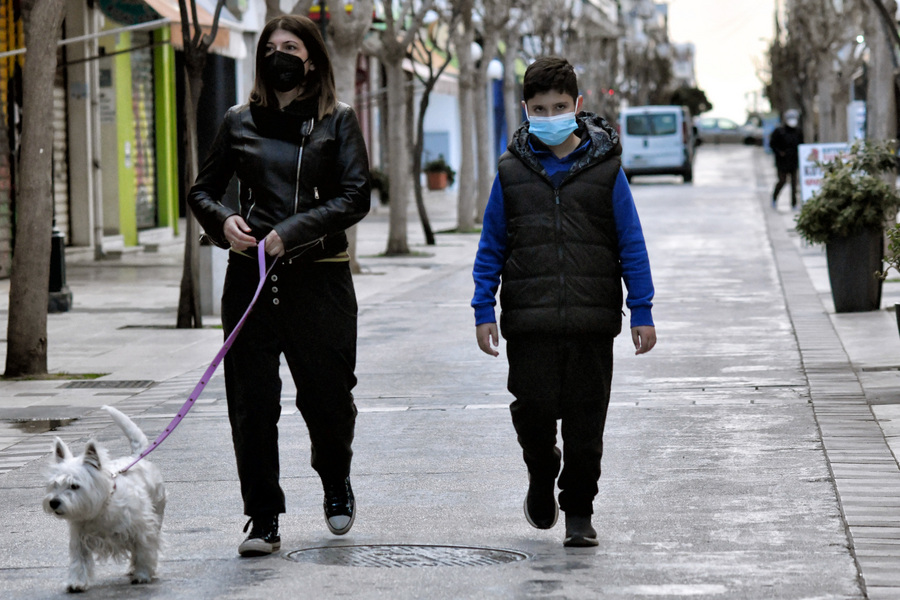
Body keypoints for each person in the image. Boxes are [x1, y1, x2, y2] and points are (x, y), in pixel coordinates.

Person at [187, 15, 370, 557]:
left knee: (329, 399)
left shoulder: (339, 120)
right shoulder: (238, 120)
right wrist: (223, 224)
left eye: (291, 46)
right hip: (251, 279)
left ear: (311, 57)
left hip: (320, 280)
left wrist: (291, 232)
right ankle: (262, 516)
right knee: (251, 402)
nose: (279, 55)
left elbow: (355, 196)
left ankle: (335, 477)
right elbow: (203, 190)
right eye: (270, 47)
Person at [471, 57, 656, 548]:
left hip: (592, 322)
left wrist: (642, 309)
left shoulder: (607, 170)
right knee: (531, 412)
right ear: (525, 110)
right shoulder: (511, 173)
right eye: (539, 108)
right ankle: (540, 468)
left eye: (558, 106)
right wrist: (482, 308)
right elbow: (491, 244)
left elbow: (630, 242)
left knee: (585, 423)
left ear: (577, 107)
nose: (549, 114)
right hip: (528, 323)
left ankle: (579, 508)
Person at [770, 109, 804, 210]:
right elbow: (773, 145)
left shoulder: (798, 132)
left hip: (793, 161)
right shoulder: (779, 131)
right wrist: (780, 153)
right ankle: (774, 199)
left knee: (794, 184)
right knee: (782, 181)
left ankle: (793, 204)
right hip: (782, 162)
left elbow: (801, 145)